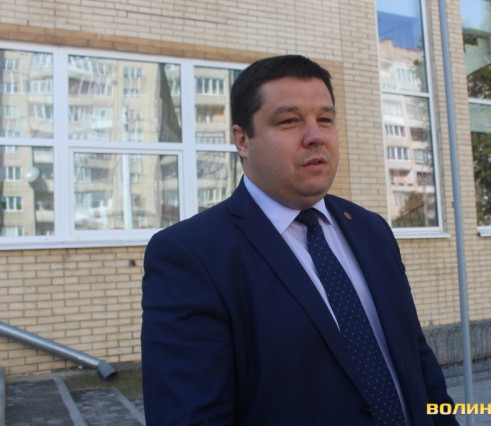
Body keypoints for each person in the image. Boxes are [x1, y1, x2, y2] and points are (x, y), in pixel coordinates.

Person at [141, 54, 459, 426]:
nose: (315, 136)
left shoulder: (371, 229)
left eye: (325, 119)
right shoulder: (191, 255)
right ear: (242, 140)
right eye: (289, 121)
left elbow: (416, 359)